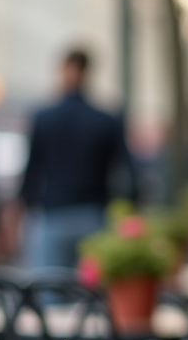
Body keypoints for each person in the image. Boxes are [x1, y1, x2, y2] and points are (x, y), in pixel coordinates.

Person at [18, 48, 135, 270]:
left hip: (53, 216)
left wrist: (26, 209)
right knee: (94, 295)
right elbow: (128, 173)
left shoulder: (44, 118)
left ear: (63, 70)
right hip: (94, 217)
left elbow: (32, 172)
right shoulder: (106, 120)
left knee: (50, 294)